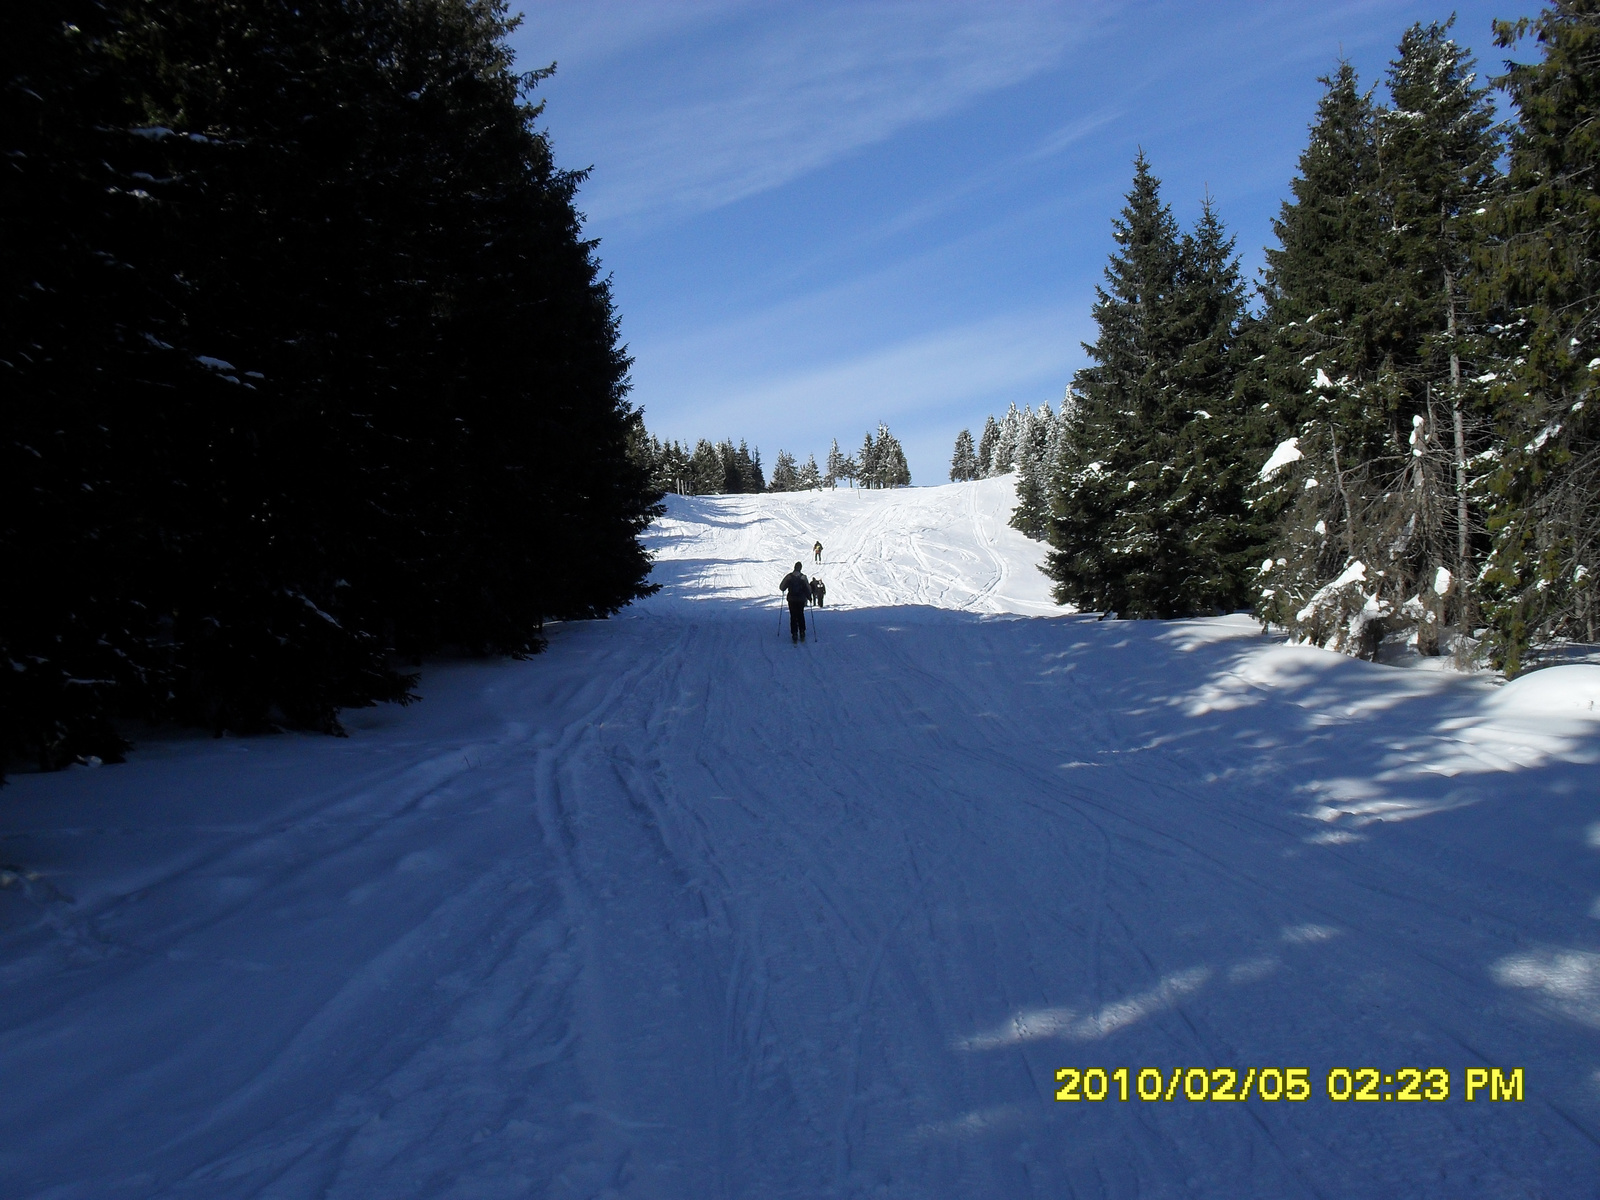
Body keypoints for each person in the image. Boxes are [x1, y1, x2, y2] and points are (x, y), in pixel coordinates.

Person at [779, 561, 811, 643]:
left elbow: (782, 587)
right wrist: (809, 597)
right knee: (800, 614)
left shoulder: (789, 576)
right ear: (800, 568)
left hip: (791, 599)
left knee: (793, 616)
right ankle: (802, 632)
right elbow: (808, 589)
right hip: (801, 599)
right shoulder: (803, 577)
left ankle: (794, 633)